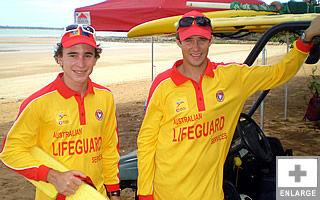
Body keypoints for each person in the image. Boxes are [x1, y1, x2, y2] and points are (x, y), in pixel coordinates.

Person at [136, 10, 320, 200]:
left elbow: (278, 73)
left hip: (211, 194)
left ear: (211, 41)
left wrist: (305, 39)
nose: (196, 47)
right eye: (189, 40)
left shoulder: (231, 77)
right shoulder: (162, 85)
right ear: (178, 42)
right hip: (166, 194)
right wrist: (144, 193)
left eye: (202, 39)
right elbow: (147, 143)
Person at [0, 24, 120, 200]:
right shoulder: (37, 102)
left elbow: (109, 148)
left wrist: (114, 191)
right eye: (72, 55)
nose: (81, 63)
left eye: (87, 55)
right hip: (55, 195)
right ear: (59, 58)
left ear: (95, 59)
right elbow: (10, 152)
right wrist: (52, 176)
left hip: (96, 195)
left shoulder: (105, 97)